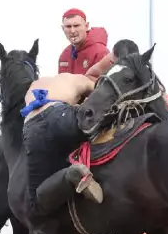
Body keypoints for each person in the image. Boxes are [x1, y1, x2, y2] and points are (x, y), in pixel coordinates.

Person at [18, 39, 140, 218]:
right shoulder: (77, 79)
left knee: (36, 203)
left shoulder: (37, 84)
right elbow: (103, 93)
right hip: (62, 115)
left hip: (32, 127)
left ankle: (70, 174)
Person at [57, 8, 110, 75]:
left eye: (76, 26)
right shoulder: (64, 55)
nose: (72, 31)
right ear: (63, 28)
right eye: (68, 26)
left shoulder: (100, 52)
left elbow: (106, 83)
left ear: (86, 26)